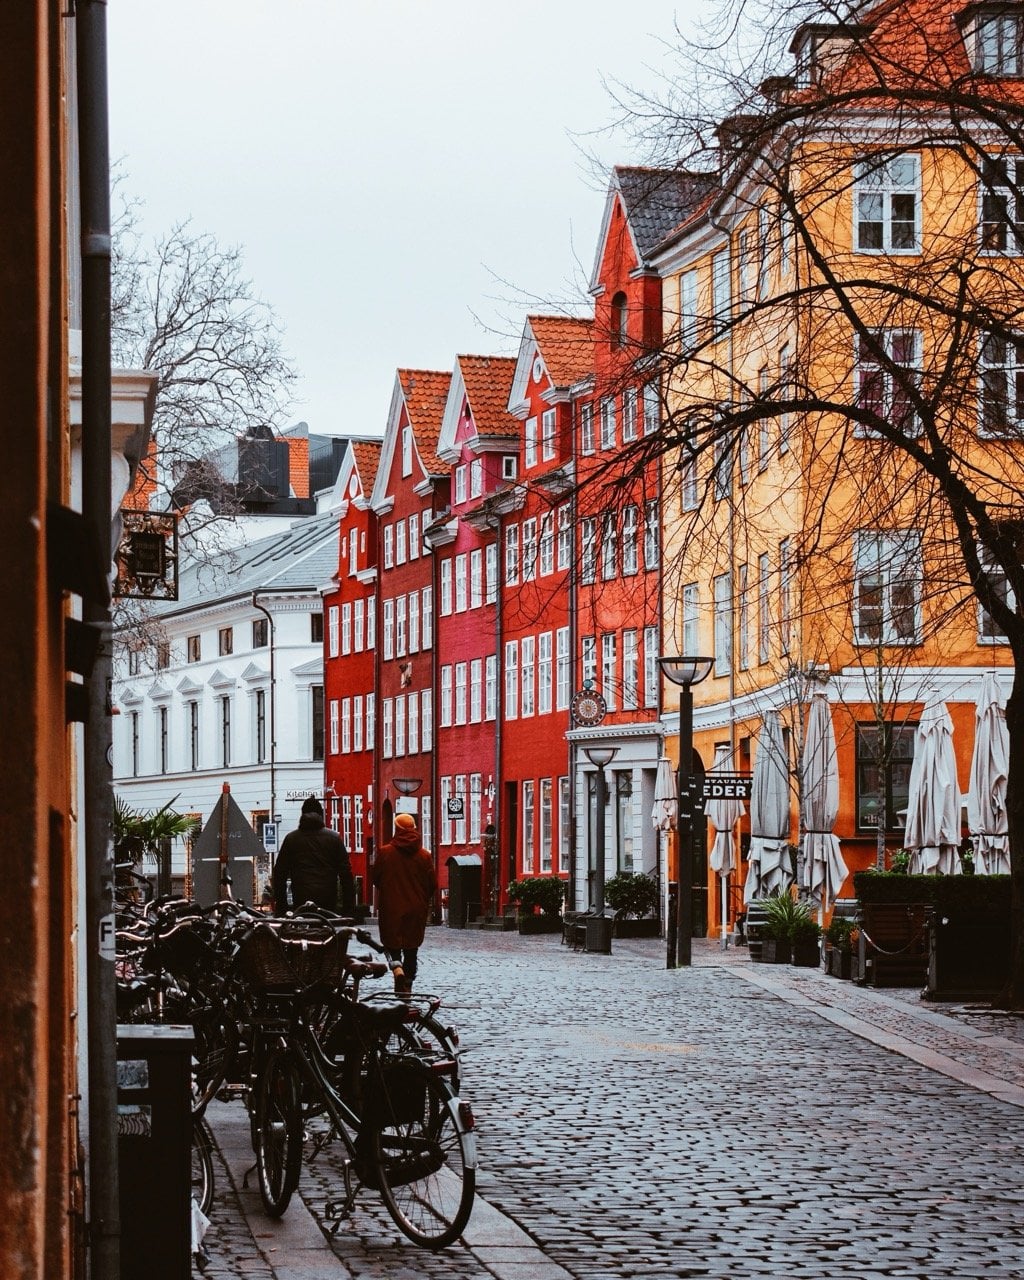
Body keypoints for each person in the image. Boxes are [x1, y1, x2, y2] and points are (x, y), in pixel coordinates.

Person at [372, 812, 436, 994]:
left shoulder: (385, 852)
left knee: (392, 944)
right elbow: (432, 884)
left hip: (392, 906)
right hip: (416, 907)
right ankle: (407, 984)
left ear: (397, 829)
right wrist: (421, 898)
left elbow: (376, 878)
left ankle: (397, 969)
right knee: (411, 948)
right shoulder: (424, 855)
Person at [271, 796, 355, 915]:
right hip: (327, 899)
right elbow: (346, 875)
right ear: (321, 815)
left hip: (301, 898)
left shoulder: (291, 839)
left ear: (302, 815)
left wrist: (282, 908)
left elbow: (280, 874)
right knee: (327, 930)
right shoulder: (334, 838)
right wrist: (348, 910)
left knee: (301, 931)